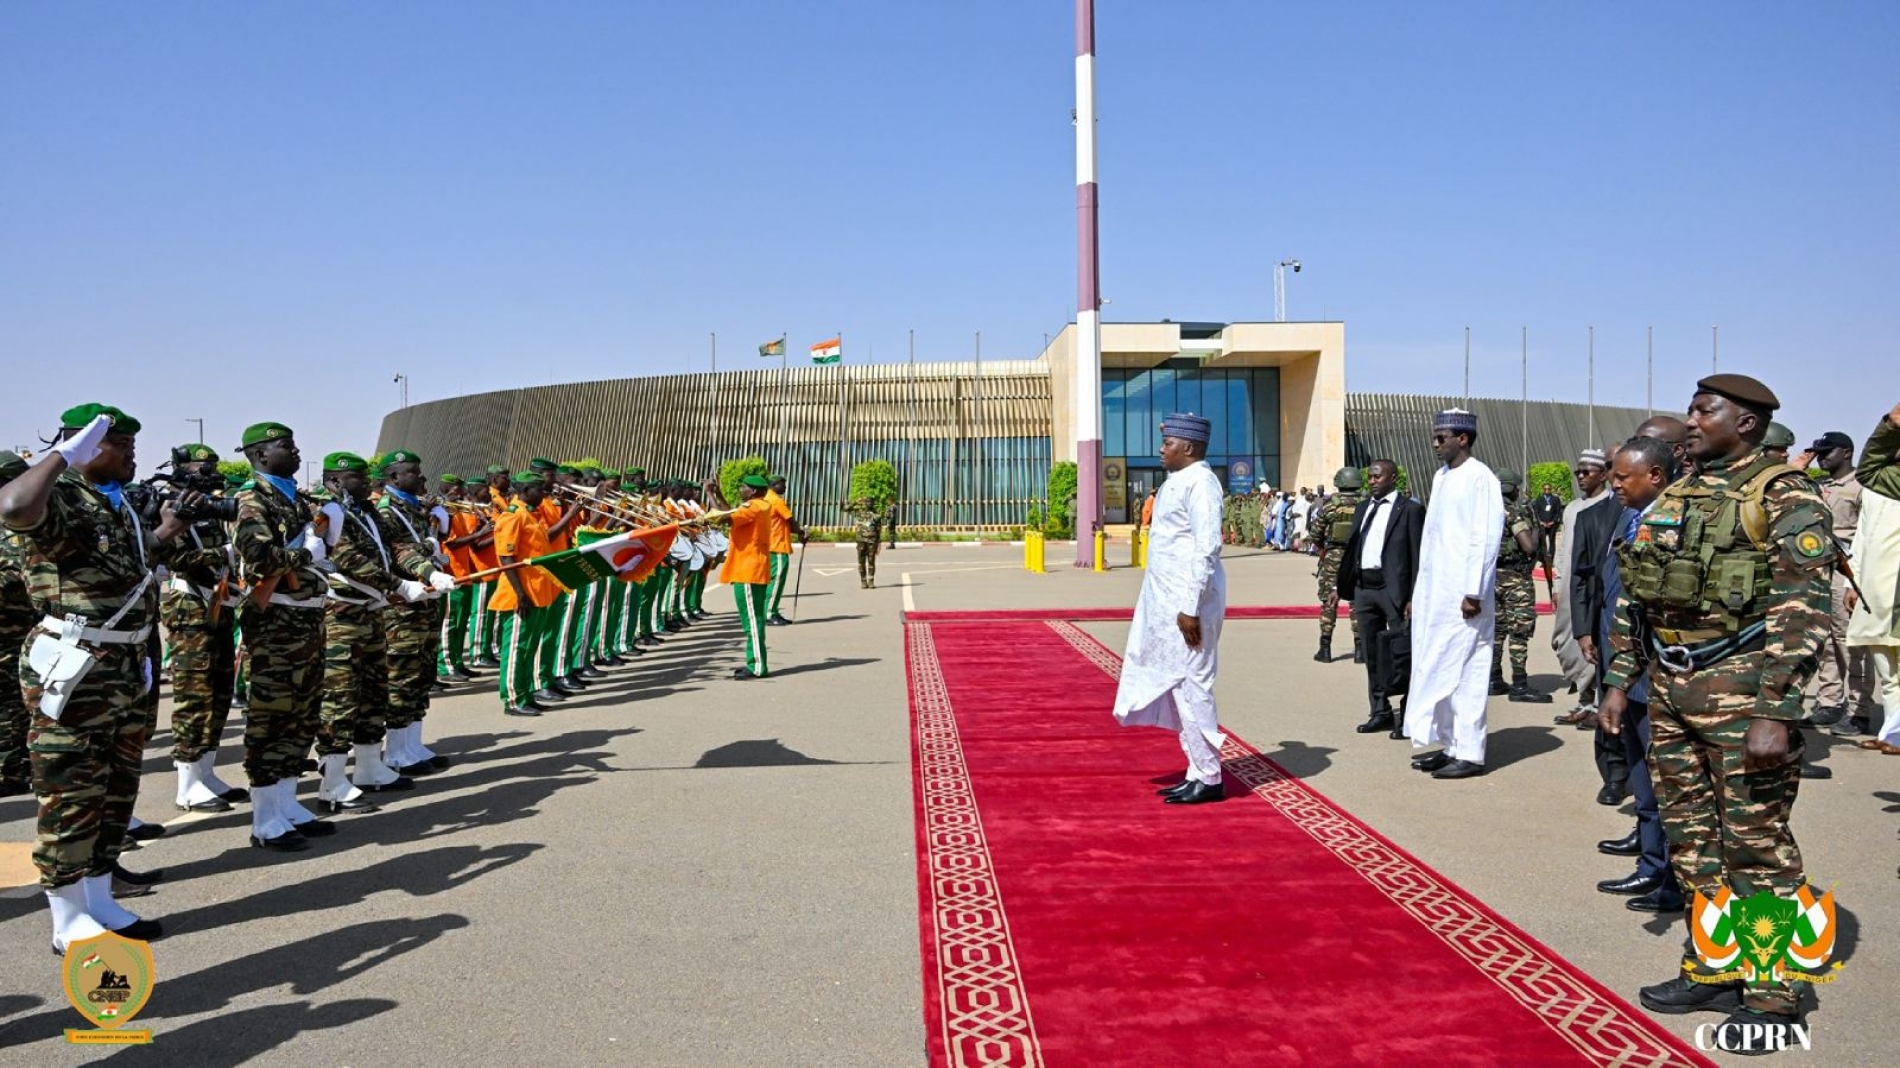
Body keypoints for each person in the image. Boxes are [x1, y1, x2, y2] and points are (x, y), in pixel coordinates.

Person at [1603, 374, 1832, 1047]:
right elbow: (1637, 593)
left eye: (1707, 410)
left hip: (1745, 690)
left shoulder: (1785, 495)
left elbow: (1802, 606)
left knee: (1756, 846)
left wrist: (1777, 709)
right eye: (1692, 408)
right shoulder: (1678, 494)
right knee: (1693, 841)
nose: (1692, 420)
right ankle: (1714, 962)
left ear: (1750, 423)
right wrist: (1619, 680)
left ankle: (1772, 991)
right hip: (1671, 691)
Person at [0, 406, 194, 951]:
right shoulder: (58, 493)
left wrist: (170, 528)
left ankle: (100, 897)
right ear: (87, 448)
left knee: (115, 790)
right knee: (71, 791)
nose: (132, 453)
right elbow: (14, 506)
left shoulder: (119, 505)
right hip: (77, 665)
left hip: (125, 664)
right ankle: (66, 919)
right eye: (120, 444)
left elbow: (125, 565)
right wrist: (62, 455)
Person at [1590, 438, 1685, 914]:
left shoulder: (1677, 520)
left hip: (1661, 671)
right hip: (1626, 667)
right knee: (1642, 772)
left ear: (1656, 476)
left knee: (1666, 780)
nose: (1614, 483)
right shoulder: (1634, 519)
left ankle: (1668, 873)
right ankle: (1651, 863)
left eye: (1624, 476)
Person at [1113, 413, 1227, 805]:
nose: (1162, 449)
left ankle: (1210, 777)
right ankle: (1198, 769)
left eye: (1169, 443)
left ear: (1189, 448)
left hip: (1189, 605)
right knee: (1180, 686)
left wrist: (1191, 607)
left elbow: (1206, 547)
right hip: (1169, 605)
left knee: (1195, 686)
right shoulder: (1177, 482)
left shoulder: (1201, 483)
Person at [233, 421, 336, 852]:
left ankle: (288, 804)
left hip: (307, 622)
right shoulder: (252, 500)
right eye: (285, 446)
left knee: (302, 715)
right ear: (260, 455)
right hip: (276, 625)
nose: (295, 453)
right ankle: (264, 818)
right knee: (271, 719)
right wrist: (304, 553)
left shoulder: (294, 499)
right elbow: (258, 559)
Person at [313, 452, 418, 818]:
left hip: (371, 614)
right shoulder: (328, 512)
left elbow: (397, 547)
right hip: (342, 615)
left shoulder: (366, 512)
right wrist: (399, 585)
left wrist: (425, 570)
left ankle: (370, 766)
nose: (368, 483)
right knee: (340, 699)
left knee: (374, 692)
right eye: (359, 477)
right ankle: (332, 783)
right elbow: (349, 560)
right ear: (336, 481)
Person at [1407, 409, 1505, 780]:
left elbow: (1485, 537)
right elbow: (1434, 540)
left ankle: (1470, 752)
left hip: (1466, 598)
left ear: (1463, 438)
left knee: (1469, 671)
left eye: (1441, 437)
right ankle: (1449, 745)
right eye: (1434, 437)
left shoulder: (1482, 479)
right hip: (1438, 592)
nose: (1435, 444)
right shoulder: (1442, 476)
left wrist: (1474, 591)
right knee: (1441, 666)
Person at [158, 443, 249, 814]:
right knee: (194, 695)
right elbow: (171, 556)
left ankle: (206, 773)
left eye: (211, 465)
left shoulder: (209, 507)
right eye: (200, 467)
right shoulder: (168, 507)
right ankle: (187, 783)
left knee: (219, 691)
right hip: (189, 607)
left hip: (217, 604)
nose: (209, 472)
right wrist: (223, 554)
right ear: (180, 469)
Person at [374, 451, 459, 774]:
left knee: (422, 673)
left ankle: (412, 743)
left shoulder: (413, 508)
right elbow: (398, 553)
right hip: (402, 607)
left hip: (425, 601)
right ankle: (396, 751)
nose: (422, 478)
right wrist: (428, 563)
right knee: (402, 676)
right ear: (394, 478)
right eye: (413, 473)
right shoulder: (387, 512)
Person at [1792, 431, 1873, 734]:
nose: (1822, 457)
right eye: (1819, 452)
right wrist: (1800, 464)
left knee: (1849, 643)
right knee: (1823, 642)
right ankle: (1829, 702)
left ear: (1847, 452)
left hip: (1847, 571)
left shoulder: (1861, 486)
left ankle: (1859, 710)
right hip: (1819, 570)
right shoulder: (1819, 484)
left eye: (1828, 452)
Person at [1337, 459, 1425, 736]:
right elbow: (1354, 549)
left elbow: (1418, 554)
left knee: (1402, 654)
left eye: (1378, 476)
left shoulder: (1410, 510)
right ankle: (1380, 710)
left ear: (1393, 478)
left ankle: (1408, 714)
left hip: (1395, 590)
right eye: (1370, 476)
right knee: (1372, 654)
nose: (1372, 480)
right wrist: (1343, 585)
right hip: (1365, 589)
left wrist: (1414, 595)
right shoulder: (1363, 508)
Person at [1845, 403, 1900, 753]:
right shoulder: (1884, 487)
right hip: (1880, 590)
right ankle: (1892, 733)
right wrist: (1854, 581)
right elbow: (1862, 539)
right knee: (1887, 669)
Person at [489, 471, 563, 717]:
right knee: (516, 649)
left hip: (539, 591)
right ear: (525, 490)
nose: (543, 493)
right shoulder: (513, 516)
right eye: (538, 489)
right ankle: (512, 699)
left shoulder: (531, 515)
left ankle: (525, 693)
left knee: (529, 647)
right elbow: (506, 557)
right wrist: (520, 594)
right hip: (520, 593)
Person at [1552, 451, 1611, 724]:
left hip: (1594, 586)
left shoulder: (1610, 505)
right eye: (1578, 472)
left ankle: (1595, 703)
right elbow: (1562, 550)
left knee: (1595, 641)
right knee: (1566, 642)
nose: (1581, 477)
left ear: (1603, 474)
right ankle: (1584, 700)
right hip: (1570, 587)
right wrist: (1558, 583)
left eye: (1587, 472)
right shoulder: (1572, 508)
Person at [1487, 470, 1552, 703]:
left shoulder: (1485, 514)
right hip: (1516, 580)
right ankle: (1520, 684)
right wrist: (1535, 531)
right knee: (1519, 632)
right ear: (1513, 489)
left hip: (1491, 580)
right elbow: (1528, 547)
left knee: (1496, 632)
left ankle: (1494, 679)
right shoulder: (1512, 513)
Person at [0, 452, 32, 799]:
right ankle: (9, 771)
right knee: (9, 703)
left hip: (20, 629)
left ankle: (16, 765)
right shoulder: (12, 528)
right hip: (9, 630)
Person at [723, 475, 775, 678]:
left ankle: (757, 666)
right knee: (755, 618)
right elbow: (731, 514)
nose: (740, 489)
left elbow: (726, 518)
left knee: (752, 620)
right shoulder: (760, 506)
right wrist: (717, 492)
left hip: (748, 571)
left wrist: (710, 493)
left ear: (753, 491)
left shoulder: (753, 507)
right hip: (752, 569)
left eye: (743, 486)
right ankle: (754, 661)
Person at [1310, 467, 1364, 663]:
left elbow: (1316, 533)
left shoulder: (1329, 506)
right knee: (1357, 603)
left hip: (1333, 557)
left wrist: (1322, 546)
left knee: (1329, 603)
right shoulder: (1366, 504)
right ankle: (1360, 650)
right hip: (1358, 558)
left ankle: (1325, 649)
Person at [764, 475, 807, 626]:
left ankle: (771, 611)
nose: (785, 487)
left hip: (769, 545)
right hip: (778, 545)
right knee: (777, 580)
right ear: (773, 485)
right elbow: (790, 520)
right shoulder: (776, 500)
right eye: (782, 484)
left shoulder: (766, 498)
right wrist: (801, 533)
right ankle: (769, 613)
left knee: (771, 581)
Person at [846, 495, 886, 588]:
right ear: (865, 503)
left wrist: (879, 543)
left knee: (871, 561)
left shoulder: (877, 514)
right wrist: (856, 501)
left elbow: (879, 529)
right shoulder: (859, 512)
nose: (869, 503)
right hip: (861, 540)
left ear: (873, 503)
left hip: (872, 540)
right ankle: (863, 581)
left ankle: (871, 581)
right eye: (867, 502)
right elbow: (846, 509)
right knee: (861, 561)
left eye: (871, 502)